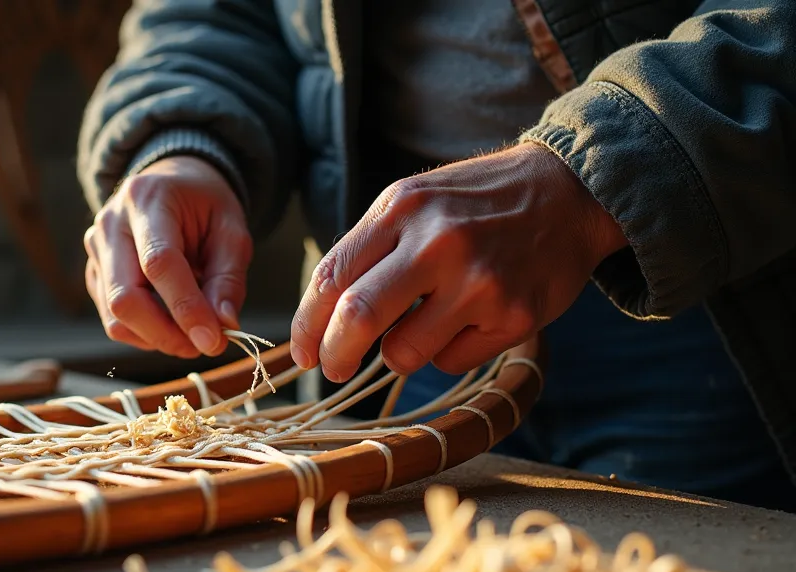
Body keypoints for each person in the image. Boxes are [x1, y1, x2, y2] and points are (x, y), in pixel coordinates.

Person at [75, 0, 796, 511]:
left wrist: (601, 170)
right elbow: (216, 15)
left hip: (718, 293)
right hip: (393, 312)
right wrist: (183, 143)